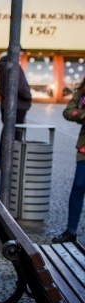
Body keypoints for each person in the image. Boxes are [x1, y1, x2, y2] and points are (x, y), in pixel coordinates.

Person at [51, 76, 85, 243]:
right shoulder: (82, 90)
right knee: (78, 186)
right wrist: (83, 114)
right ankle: (71, 230)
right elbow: (68, 111)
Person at [0, 53, 32, 170]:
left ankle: (2, 160)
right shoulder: (12, 66)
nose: (21, 56)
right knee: (15, 134)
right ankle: (11, 161)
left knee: (7, 131)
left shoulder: (2, 67)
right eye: (20, 54)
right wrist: (28, 96)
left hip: (6, 103)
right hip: (16, 105)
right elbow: (21, 87)